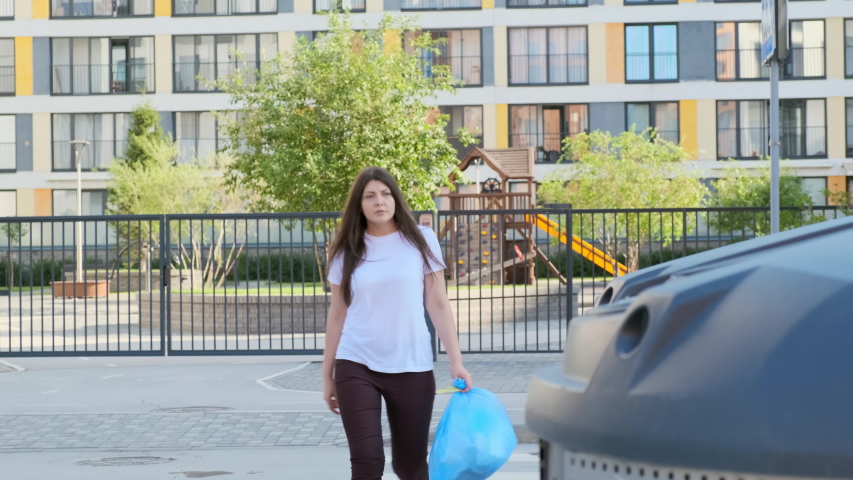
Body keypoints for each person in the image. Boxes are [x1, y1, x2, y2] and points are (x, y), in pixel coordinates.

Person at [322, 166, 473, 480]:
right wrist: (328, 375)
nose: (380, 201)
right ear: (359, 205)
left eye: (386, 193)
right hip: (356, 362)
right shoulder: (345, 250)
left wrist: (456, 361)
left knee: (410, 466)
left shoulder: (421, 239)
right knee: (367, 461)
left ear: (396, 198)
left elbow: (438, 302)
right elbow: (337, 314)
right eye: (370, 196)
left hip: (412, 365)